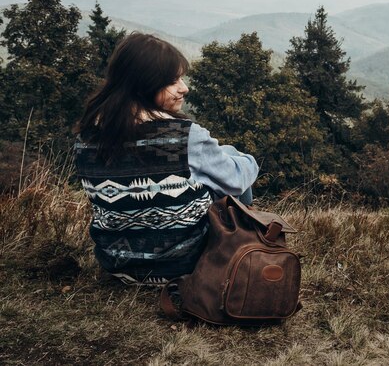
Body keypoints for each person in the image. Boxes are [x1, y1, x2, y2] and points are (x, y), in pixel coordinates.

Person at [74, 32, 258, 285]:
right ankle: (245, 247)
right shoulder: (184, 137)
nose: (184, 88)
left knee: (216, 159)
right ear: (144, 85)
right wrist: (247, 159)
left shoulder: (87, 136)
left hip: (119, 266)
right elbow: (236, 182)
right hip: (186, 267)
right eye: (173, 81)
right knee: (235, 161)